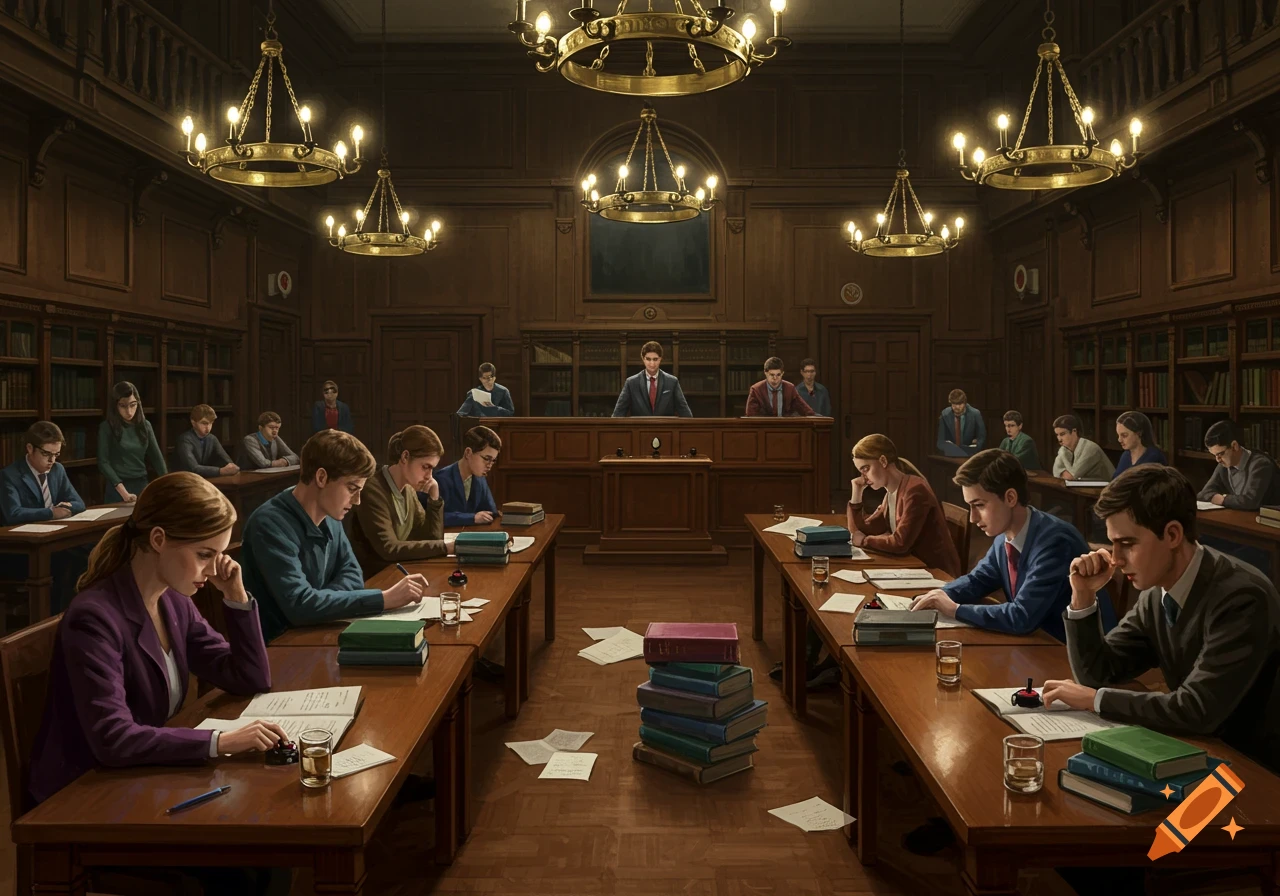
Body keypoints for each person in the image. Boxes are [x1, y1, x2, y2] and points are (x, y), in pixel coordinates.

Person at [26, 472, 289, 895]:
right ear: (159, 539)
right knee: (246, 866)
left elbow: (249, 677)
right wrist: (221, 741)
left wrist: (236, 595)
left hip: (140, 778)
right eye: (204, 554)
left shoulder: (174, 601)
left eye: (220, 555)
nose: (213, 569)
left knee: (266, 851)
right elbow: (113, 738)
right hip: (85, 798)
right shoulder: (95, 617)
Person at [1045, 465, 1280, 773]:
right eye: (1112, 543)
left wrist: (1094, 700)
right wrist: (1083, 596)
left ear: (1172, 534)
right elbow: (1098, 671)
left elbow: (1196, 710)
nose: (1115, 558)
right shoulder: (1158, 594)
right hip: (1198, 751)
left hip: (1255, 773)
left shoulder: (1242, 597)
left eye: (1127, 543)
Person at [910, 448, 1116, 641]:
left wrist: (954, 609)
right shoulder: (1005, 537)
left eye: (979, 505)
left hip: (1072, 652)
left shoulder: (1055, 542)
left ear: (1010, 497)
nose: (972, 518)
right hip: (1037, 645)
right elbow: (978, 580)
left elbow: (1021, 616)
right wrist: (939, 595)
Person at [240, 430, 427, 642]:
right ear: (321, 477)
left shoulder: (330, 515)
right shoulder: (269, 524)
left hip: (320, 633)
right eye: (352, 488)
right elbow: (299, 605)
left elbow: (353, 575)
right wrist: (383, 599)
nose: (357, 501)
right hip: (280, 647)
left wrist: (320, 601)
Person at [0, 421, 89, 613]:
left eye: (56, 454)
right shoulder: (10, 475)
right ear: (30, 448)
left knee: (89, 553)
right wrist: (51, 513)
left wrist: (67, 507)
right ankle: (53, 617)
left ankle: (73, 613)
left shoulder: (57, 470)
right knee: (66, 561)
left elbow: (79, 503)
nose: (52, 460)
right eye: (47, 454)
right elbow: (13, 514)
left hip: (51, 541)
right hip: (20, 550)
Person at [847, 434, 962, 576]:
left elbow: (900, 543)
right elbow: (861, 530)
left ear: (883, 461)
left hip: (936, 573)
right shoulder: (891, 493)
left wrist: (865, 541)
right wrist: (857, 492)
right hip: (913, 568)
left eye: (865, 469)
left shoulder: (915, 490)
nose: (863, 477)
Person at [349, 425, 448, 575]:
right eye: (425, 467)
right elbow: (389, 549)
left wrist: (434, 497)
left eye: (432, 469)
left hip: (397, 572)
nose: (429, 476)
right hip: (373, 578)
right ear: (405, 457)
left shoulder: (408, 490)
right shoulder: (372, 489)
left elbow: (432, 538)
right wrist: (446, 547)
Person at [97, 381, 166, 504]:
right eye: (123, 406)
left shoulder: (146, 426)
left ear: (138, 403)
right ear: (115, 406)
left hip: (141, 484)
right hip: (118, 488)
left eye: (133, 405)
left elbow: (157, 458)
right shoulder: (106, 427)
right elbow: (103, 462)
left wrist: (168, 483)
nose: (129, 411)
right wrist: (124, 493)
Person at [1197, 419, 1280, 509]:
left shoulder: (1261, 464)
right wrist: (1222, 498)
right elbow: (1203, 493)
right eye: (1215, 455)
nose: (1218, 460)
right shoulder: (1224, 465)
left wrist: (1223, 499)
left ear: (1234, 446)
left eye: (1220, 454)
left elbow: (1250, 502)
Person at [436, 425, 500, 527]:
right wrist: (472, 518)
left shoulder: (480, 479)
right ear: (468, 453)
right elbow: (436, 517)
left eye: (493, 460)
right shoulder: (441, 478)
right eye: (487, 459)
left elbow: (491, 511)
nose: (489, 465)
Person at [612, 341, 693, 417]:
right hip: (639, 427)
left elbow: (685, 412)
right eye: (648, 359)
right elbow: (618, 414)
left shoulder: (672, 382)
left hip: (665, 427)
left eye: (655, 359)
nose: (652, 363)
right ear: (643, 359)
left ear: (660, 359)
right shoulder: (631, 383)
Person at [173, 404, 238, 478]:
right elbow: (193, 468)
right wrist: (220, 471)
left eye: (211, 423)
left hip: (203, 479)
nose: (208, 428)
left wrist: (232, 467)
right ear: (193, 423)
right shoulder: (184, 440)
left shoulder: (212, 438)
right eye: (204, 423)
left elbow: (226, 460)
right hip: (183, 480)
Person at [1051, 414, 1115, 482]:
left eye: (1062, 434)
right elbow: (1056, 472)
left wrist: (1063, 455)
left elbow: (1072, 476)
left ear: (1074, 431)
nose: (1059, 439)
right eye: (1057, 435)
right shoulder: (1064, 449)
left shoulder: (1090, 448)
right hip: (1086, 485)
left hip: (1108, 486)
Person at [745, 357, 816, 417]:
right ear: (765, 373)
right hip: (764, 428)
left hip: (785, 427)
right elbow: (750, 415)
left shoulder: (790, 388)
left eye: (778, 375)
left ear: (782, 373)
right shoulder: (756, 389)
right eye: (772, 375)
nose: (775, 378)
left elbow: (805, 410)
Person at [1112, 410, 1166, 479]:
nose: (1119, 440)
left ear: (1139, 433)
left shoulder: (1154, 457)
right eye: (1118, 435)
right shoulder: (1126, 455)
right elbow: (1115, 480)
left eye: (1124, 435)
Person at [935, 389, 985, 456]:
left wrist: (975, 446)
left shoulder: (975, 414)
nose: (957, 407)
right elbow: (940, 441)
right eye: (954, 404)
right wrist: (949, 447)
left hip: (970, 455)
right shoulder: (945, 414)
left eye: (960, 404)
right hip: (951, 455)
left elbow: (982, 438)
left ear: (965, 403)